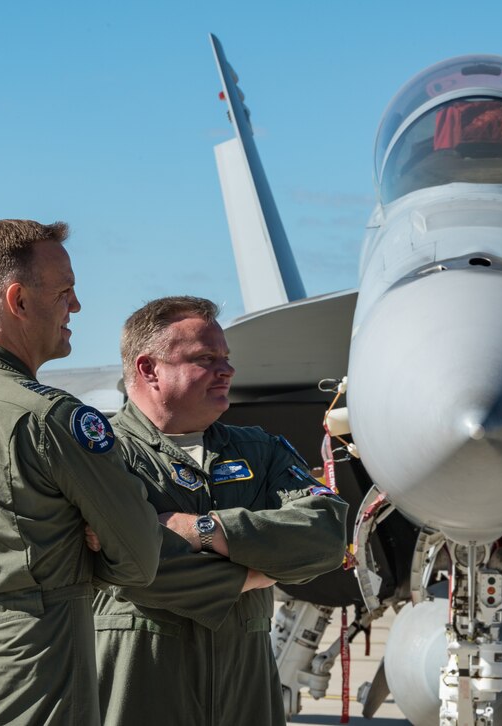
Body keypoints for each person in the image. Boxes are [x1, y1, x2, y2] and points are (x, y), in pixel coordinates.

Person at [0, 219, 162, 725]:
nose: (77, 307)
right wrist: (86, 548)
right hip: (36, 690)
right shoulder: (51, 419)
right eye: (65, 292)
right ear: (18, 301)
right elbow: (139, 556)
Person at [89, 295, 349, 726]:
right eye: (205, 358)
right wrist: (254, 573)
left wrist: (204, 529)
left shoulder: (258, 450)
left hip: (243, 696)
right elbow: (136, 568)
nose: (226, 370)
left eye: (226, 358)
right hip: (138, 692)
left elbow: (325, 536)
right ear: (149, 368)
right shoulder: (102, 455)